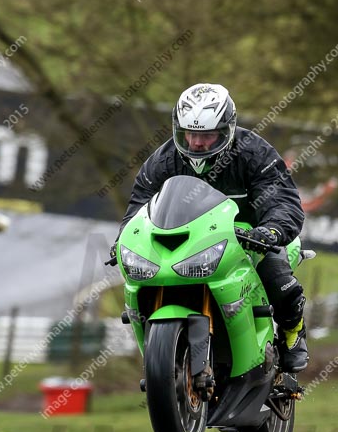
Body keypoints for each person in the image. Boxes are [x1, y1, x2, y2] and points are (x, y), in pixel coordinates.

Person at [112, 82, 308, 372]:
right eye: (189, 134)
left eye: (207, 135)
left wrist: (271, 231)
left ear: (227, 128)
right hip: (193, 242)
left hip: (251, 236)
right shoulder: (163, 161)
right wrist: (125, 239)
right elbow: (138, 207)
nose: (197, 143)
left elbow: (282, 199)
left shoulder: (255, 153)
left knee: (276, 277)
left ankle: (293, 332)